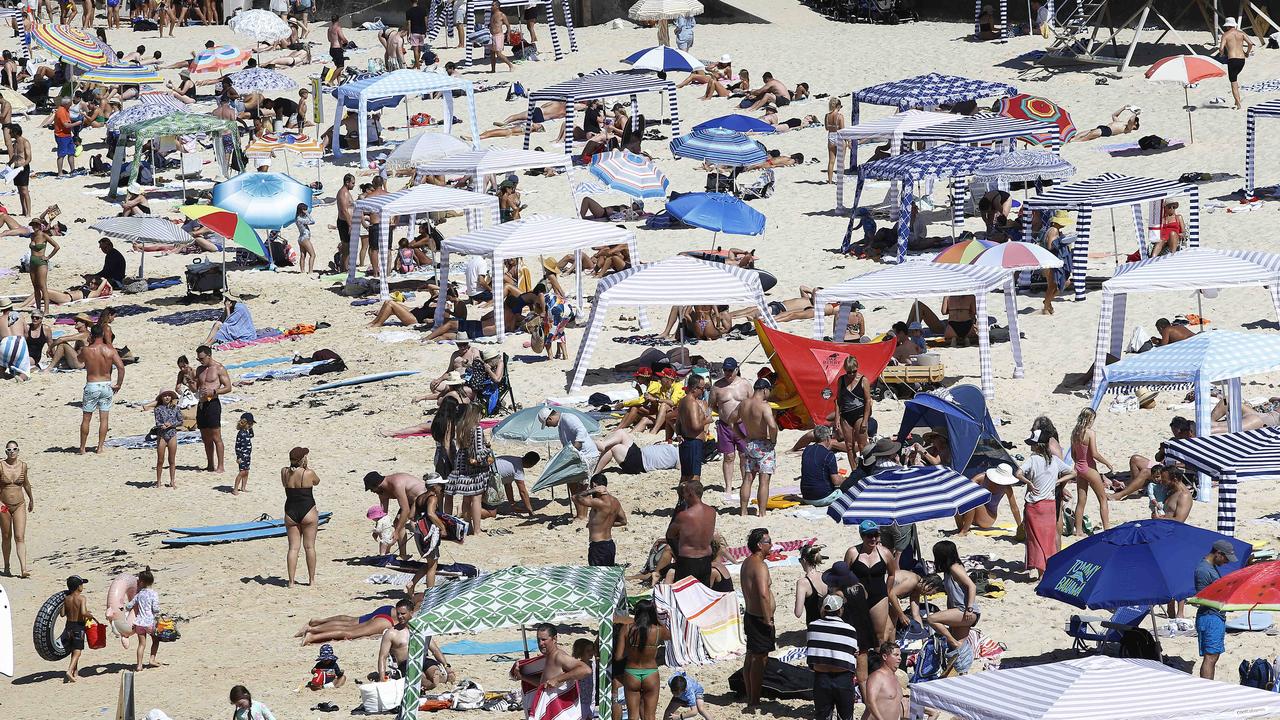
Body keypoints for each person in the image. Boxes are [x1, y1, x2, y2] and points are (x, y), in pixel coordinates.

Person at [1019, 427, 1074, 580]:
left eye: (1032, 444)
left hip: (1034, 505)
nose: (1030, 446)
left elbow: (1018, 473)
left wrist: (1028, 482)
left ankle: (1041, 574)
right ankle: (1049, 571)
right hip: (1050, 504)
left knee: (1035, 540)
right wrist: (1058, 481)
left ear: (1038, 445)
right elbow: (1073, 472)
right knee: (1048, 539)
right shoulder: (1054, 460)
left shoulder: (1032, 459)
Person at [926, 540, 979, 672]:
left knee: (931, 619)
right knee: (959, 648)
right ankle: (962, 671)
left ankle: (952, 642)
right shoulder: (949, 570)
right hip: (959, 610)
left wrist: (969, 608)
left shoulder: (954, 568)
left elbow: (972, 586)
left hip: (965, 611)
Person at [805, 593, 859, 720]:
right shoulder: (849, 629)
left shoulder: (813, 626)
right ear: (840, 610)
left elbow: (813, 650)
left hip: (821, 677)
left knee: (823, 716)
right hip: (843, 678)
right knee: (845, 716)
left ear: (824, 609)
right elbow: (852, 653)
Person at [539, 407, 598, 520]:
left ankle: (582, 516)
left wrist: (576, 446)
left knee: (582, 487)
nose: (548, 426)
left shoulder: (567, 418)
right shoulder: (561, 423)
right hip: (578, 456)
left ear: (550, 418)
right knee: (572, 483)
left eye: (547, 424)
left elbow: (581, 431)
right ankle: (580, 514)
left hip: (587, 455)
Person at [740, 528, 774, 711]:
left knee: (751, 656)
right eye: (769, 541)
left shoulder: (747, 562)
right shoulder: (760, 565)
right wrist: (768, 619)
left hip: (751, 615)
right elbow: (763, 594)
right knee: (759, 660)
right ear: (760, 545)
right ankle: (754, 700)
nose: (772, 544)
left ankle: (750, 695)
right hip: (760, 618)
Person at [846, 520, 896, 645]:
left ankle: (877, 662)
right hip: (857, 597)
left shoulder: (885, 552)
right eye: (869, 535)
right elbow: (844, 574)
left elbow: (892, 574)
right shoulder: (852, 552)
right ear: (862, 536)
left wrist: (887, 592)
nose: (873, 538)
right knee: (857, 633)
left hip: (879, 597)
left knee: (879, 636)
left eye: (876, 535)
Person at [445, 403, 491, 534]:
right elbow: (478, 451)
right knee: (476, 498)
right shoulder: (476, 429)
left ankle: (468, 526)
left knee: (466, 497)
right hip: (473, 466)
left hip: (461, 463)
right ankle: (477, 530)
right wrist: (487, 450)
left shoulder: (461, 426)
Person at [79, 325, 124, 455]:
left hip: (92, 384)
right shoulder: (110, 350)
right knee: (104, 418)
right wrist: (119, 384)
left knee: (87, 418)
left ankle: (82, 448)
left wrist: (88, 344)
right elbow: (121, 367)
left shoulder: (86, 350)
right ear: (103, 335)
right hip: (106, 384)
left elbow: (79, 361)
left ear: (91, 335)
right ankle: (100, 447)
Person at [1195, 539, 1237, 679]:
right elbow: (1203, 599)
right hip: (1210, 618)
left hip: (1214, 617)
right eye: (1226, 558)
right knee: (1210, 658)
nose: (1227, 562)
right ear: (1218, 553)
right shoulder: (1203, 570)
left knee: (1213, 657)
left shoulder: (1210, 568)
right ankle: (1206, 690)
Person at [710, 357, 751, 492]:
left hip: (742, 424)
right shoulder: (717, 386)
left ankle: (745, 484)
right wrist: (722, 413)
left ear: (736, 370)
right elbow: (711, 406)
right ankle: (728, 487)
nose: (727, 373)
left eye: (730, 370)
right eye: (725, 370)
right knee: (728, 456)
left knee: (744, 455)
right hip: (725, 425)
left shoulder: (745, 384)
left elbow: (752, 403)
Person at [1069, 408, 1113, 535]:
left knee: (1081, 501)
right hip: (1089, 468)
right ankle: (1107, 528)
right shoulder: (1090, 433)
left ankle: (1078, 530)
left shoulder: (1075, 433)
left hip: (1079, 467)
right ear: (1090, 419)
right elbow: (1094, 453)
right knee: (1102, 498)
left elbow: (1073, 454)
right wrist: (1107, 463)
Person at [364, 470, 426, 558]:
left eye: (371, 489)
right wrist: (378, 529)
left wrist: (396, 532)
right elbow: (382, 515)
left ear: (377, 485)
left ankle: (427, 555)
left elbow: (406, 510)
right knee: (397, 523)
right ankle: (403, 555)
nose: (372, 491)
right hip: (410, 502)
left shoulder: (396, 484)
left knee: (411, 524)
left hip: (422, 498)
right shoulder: (381, 492)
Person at [739, 378, 778, 517]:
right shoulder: (764, 406)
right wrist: (773, 440)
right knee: (764, 480)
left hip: (749, 443)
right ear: (764, 390)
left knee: (748, 478)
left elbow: (732, 421)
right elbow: (772, 426)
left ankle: (743, 511)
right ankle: (762, 512)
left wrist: (742, 436)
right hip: (763, 444)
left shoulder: (744, 404)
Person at [282, 446, 320, 588]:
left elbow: (285, 484)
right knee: (309, 547)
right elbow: (317, 481)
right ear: (303, 459)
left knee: (293, 548)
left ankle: (291, 582)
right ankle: (311, 580)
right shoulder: (308, 473)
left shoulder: (284, 472)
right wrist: (306, 468)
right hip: (308, 510)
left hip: (290, 510)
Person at [665, 480, 717, 585]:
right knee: (702, 596)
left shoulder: (684, 515)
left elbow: (670, 534)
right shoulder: (712, 511)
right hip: (706, 560)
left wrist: (678, 510)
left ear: (690, 494)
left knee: (685, 596)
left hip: (689, 560)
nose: (683, 496)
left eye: (684, 493)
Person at [535, 622, 593, 706]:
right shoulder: (548, 656)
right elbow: (544, 684)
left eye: (544, 640)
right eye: (538, 640)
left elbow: (586, 670)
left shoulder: (559, 656)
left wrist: (558, 679)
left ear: (554, 639)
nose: (540, 643)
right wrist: (523, 677)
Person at [0, 440, 34, 578]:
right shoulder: (1, 466)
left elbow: (26, 484)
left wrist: (31, 499)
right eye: (9, 450)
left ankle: (23, 569)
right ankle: (7, 566)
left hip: (19, 504)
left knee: (20, 536)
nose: (12, 452)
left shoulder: (23, 466)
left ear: (18, 451)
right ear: (5, 452)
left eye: (14, 449)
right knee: (6, 536)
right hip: (3, 505)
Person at [196, 345, 231, 472]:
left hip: (213, 403)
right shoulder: (199, 369)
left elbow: (228, 387)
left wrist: (214, 391)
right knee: (205, 437)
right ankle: (210, 464)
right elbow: (197, 387)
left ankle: (221, 465)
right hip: (201, 404)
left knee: (216, 436)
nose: (200, 361)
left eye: (202, 358)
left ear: (209, 355)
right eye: (198, 359)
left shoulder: (219, 368)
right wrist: (189, 383)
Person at [577, 474, 626, 566]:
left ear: (595, 485)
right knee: (608, 576)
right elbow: (623, 521)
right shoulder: (615, 501)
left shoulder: (598, 502)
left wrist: (592, 490)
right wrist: (602, 524)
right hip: (610, 545)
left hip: (598, 547)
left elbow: (576, 497)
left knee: (597, 577)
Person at [835, 356, 872, 468]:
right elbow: (837, 400)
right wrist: (837, 417)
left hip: (859, 414)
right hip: (846, 414)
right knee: (849, 446)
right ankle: (854, 470)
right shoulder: (841, 380)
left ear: (857, 368)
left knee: (862, 445)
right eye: (849, 372)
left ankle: (864, 469)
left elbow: (868, 401)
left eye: (854, 371)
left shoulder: (863, 380)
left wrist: (865, 420)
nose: (851, 374)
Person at [123, 567, 162, 671]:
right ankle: (152, 659)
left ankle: (139, 665)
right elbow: (156, 609)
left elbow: (129, 606)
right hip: (150, 623)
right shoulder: (154, 594)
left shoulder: (139, 595)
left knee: (141, 644)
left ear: (141, 582)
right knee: (156, 640)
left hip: (139, 623)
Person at [676, 374, 710, 484]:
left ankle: (681, 500)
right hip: (694, 442)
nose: (703, 390)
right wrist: (707, 420)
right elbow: (696, 426)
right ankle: (693, 500)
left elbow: (678, 423)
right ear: (695, 388)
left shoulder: (682, 401)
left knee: (685, 475)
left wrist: (679, 434)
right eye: (702, 388)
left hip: (685, 441)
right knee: (694, 477)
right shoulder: (693, 403)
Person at [61, 575, 95, 682]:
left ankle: (75, 671)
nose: (83, 586)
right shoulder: (82, 598)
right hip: (78, 626)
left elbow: (62, 614)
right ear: (78, 587)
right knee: (78, 651)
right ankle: (69, 670)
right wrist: (90, 615)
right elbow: (83, 612)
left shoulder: (66, 599)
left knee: (73, 648)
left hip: (68, 626)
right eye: (82, 584)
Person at [862, 642, 907, 720]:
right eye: (896, 655)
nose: (900, 658)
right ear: (885, 656)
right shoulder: (877, 676)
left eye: (900, 655)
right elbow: (870, 702)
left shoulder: (896, 678)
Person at [800, 426, 844, 506]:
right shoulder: (829, 454)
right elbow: (836, 481)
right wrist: (845, 480)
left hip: (806, 497)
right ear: (827, 438)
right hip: (823, 497)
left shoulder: (807, 450)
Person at [1219, 17, 1254, 110]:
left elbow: (1221, 48)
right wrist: (1247, 53)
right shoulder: (1241, 33)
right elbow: (1251, 43)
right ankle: (1236, 99)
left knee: (1233, 82)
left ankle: (1238, 104)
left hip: (1232, 60)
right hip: (1242, 60)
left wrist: (1222, 54)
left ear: (1227, 26)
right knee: (1235, 77)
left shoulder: (1225, 35)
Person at [26, 218, 59, 315]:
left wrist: (48, 257)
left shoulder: (44, 235)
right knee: (35, 286)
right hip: (32, 262)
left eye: (36, 225)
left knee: (42, 286)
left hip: (41, 262)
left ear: (40, 226)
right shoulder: (32, 236)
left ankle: (46, 310)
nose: (34, 227)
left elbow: (56, 246)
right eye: (33, 225)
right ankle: (38, 308)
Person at [793, 544, 829, 624]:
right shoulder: (826, 576)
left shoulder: (803, 583)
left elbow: (798, 613)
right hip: (830, 625)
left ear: (804, 560)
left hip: (815, 628)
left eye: (800, 560)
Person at [152, 390, 181, 488]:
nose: (167, 397)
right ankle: (158, 481)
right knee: (160, 460)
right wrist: (162, 425)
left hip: (172, 434)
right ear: (161, 398)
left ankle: (172, 481)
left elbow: (180, 421)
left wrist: (171, 424)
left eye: (169, 396)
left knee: (172, 460)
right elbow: (157, 422)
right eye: (165, 396)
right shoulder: (158, 409)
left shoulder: (176, 408)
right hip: (162, 435)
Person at [495, 451, 538, 516]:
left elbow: (507, 485)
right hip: (486, 478)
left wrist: (512, 504)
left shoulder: (514, 460)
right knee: (491, 510)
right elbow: (522, 492)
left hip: (483, 469)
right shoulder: (518, 470)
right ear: (531, 464)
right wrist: (530, 510)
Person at [1071, 107, 1140, 142]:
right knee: (1088, 132)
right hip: (1104, 127)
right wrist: (1123, 108)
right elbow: (1114, 116)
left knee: (1087, 137)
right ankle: (1073, 139)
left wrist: (1135, 113)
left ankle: (1074, 141)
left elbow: (1131, 120)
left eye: (1135, 123)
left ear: (1134, 126)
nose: (1134, 122)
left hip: (1108, 131)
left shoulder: (1129, 129)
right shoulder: (1122, 123)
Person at [54, 96, 80, 176]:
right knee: (61, 154)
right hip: (61, 135)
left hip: (67, 135)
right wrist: (77, 123)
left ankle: (73, 170)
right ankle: (60, 172)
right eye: (70, 104)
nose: (71, 105)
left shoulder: (66, 110)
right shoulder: (61, 111)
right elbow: (66, 125)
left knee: (71, 152)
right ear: (66, 104)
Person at [487, 0, 515, 73]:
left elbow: (508, 26)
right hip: (491, 35)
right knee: (492, 53)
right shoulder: (491, 14)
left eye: (493, 5)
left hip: (498, 35)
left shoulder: (501, 15)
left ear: (497, 6)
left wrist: (508, 35)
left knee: (498, 54)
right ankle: (493, 70)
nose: (491, 7)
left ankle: (510, 65)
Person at [824, 97, 845, 184]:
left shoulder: (827, 116)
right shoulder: (840, 116)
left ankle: (829, 181)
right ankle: (839, 180)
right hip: (839, 136)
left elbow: (826, 128)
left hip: (831, 136)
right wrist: (848, 141)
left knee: (831, 161)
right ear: (838, 106)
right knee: (841, 161)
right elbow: (843, 130)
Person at [233, 412, 255, 495]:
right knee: (242, 472)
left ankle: (243, 487)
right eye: (250, 424)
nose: (251, 425)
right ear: (245, 423)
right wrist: (238, 456)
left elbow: (252, 435)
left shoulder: (246, 432)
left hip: (248, 456)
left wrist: (250, 428)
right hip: (242, 456)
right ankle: (235, 488)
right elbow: (237, 446)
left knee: (246, 472)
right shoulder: (241, 434)